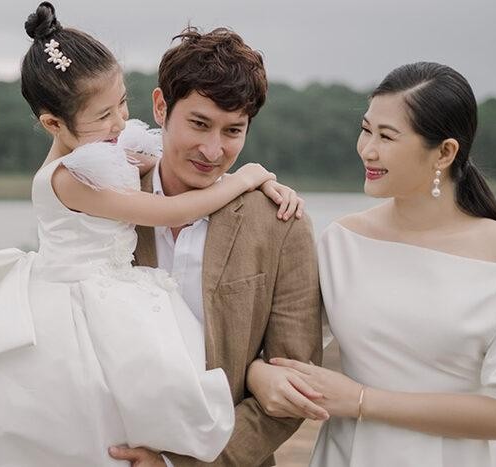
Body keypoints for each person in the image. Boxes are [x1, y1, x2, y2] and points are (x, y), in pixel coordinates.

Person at [0, 3, 304, 466]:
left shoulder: (105, 158)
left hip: (112, 298)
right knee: (91, 413)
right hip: (77, 305)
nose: (119, 123)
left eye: (121, 104)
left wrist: (255, 186)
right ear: (53, 124)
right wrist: (245, 177)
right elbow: (167, 208)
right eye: (103, 114)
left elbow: (163, 165)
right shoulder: (69, 178)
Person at [246, 62, 496, 467]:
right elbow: (278, 345)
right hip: (351, 456)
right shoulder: (343, 242)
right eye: (366, 129)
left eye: (387, 136)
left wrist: (361, 400)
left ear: (445, 152)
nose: (367, 149)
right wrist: (258, 374)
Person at [107, 27, 324, 467]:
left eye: (233, 131)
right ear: (161, 107)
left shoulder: (281, 224)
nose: (212, 150)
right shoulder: (107, 204)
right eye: (199, 124)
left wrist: (179, 465)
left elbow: (292, 388)